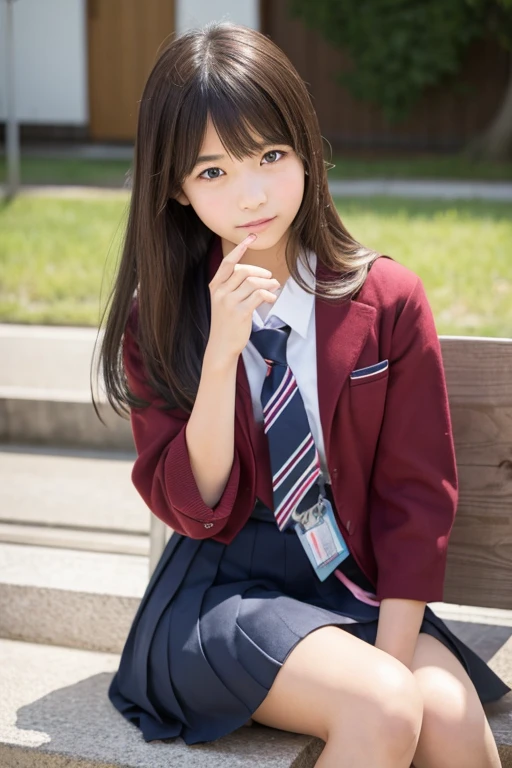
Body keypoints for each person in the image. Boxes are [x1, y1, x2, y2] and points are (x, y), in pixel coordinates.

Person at [95, 20, 510, 768]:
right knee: (383, 705)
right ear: (177, 190)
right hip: (224, 589)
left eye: (270, 155)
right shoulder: (159, 318)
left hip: (353, 581)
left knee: (445, 716)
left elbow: (418, 497)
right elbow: (196, 504)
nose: (251, 194)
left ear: (308, 153)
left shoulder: (387, 299)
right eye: (212, 172)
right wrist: (221, 355)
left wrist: (391, 654)